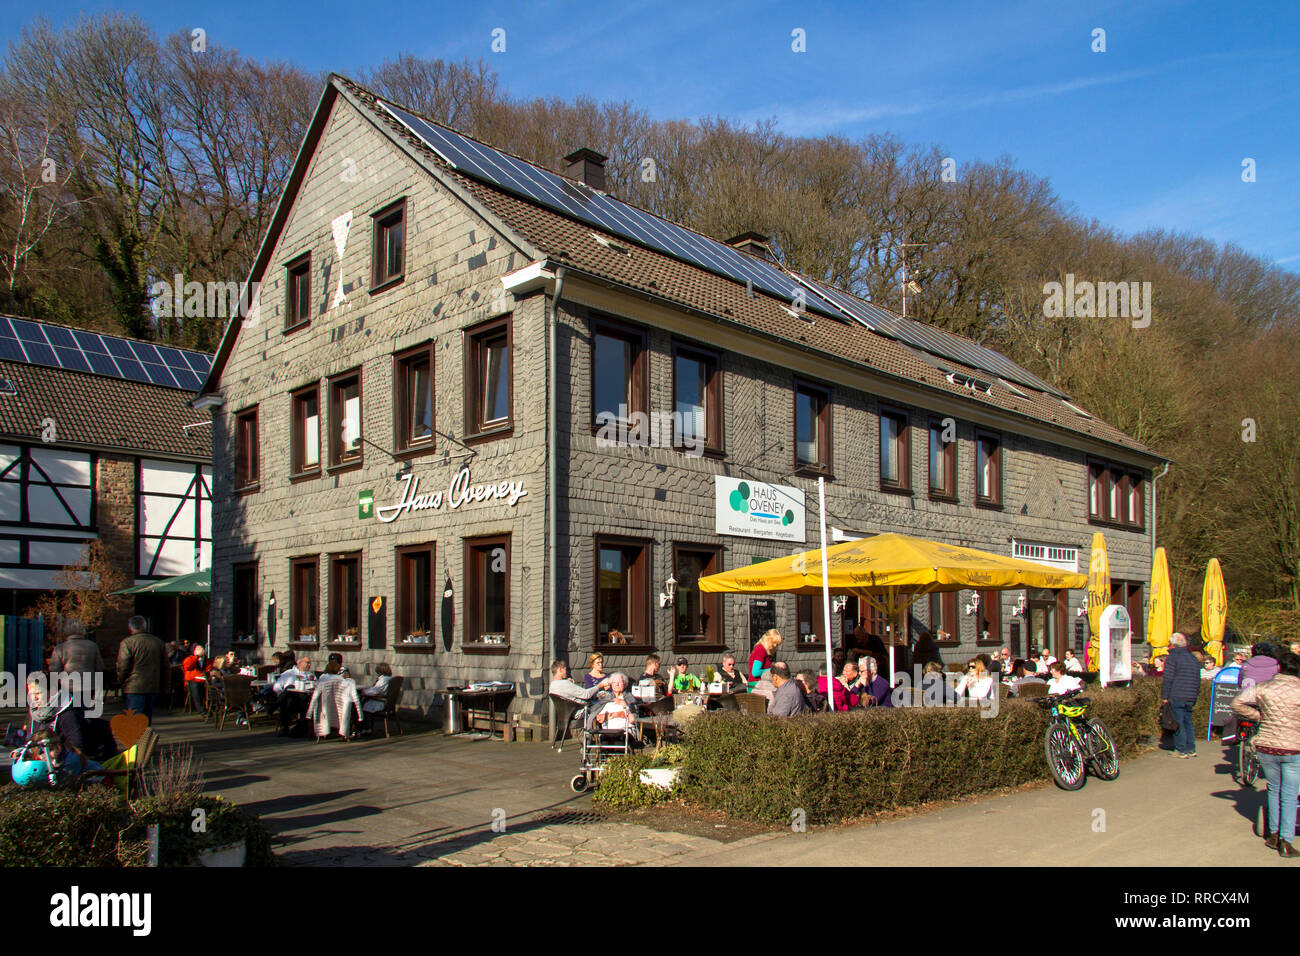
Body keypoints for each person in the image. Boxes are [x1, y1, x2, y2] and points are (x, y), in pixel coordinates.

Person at [1232, 652, 1300, 857]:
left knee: (1273, 789)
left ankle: (1273, 834)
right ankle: (1286, 841)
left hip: (1267, 746)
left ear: (1278, 668)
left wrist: (1259, 716)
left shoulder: (1264, 688)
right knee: (1289, 795)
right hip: (1293, 747)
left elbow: (1237, 703)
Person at [116, 615, 165, 723]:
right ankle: (145, 739)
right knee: (147, 718)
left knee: (135, 718)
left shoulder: (127, 643)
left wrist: (120, 681)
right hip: (153, 685)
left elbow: (124, 665)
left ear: (130, 627)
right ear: (144, 626)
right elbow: (165, 667)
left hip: (134, 685)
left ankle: (139, 739)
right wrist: (165, 687)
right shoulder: (158, 642)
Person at [1162, 632, 1202, 758]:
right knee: (1188, 722)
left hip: (1177, 694)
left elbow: (1168, 678)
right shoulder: (1193, 658)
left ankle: (1181, 749)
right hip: (1190, 695)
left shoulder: (1172, 658)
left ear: (1173, 645)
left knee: (1178, 723)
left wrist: (1165, 696)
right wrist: (1195, 694)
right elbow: (1197, 679)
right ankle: (1191, 748)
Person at [47, 619, 104, 706]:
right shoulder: (93, 646)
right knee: (85, 712)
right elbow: (99, 667)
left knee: (71, 711)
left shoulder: (61, 648)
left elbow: (54, 670)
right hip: (89, 685)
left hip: (68, 686)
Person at [592, 673, 641, 743]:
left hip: (624, 732)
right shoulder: (607, 699)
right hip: (608, 732)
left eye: (620, 682)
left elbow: (633, 719)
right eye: (614, 682)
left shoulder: (630, 699)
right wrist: (618, 714)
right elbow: (599, 718)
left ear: (625, 684)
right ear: (611, 685)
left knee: (619, 743)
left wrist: (624, 705)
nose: (617, 684)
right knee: (604, 743)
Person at [359, 663, 393, 734]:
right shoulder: (389, 679)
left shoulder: (383, 680)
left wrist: (363, 692)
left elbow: (375, 691)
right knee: (364, 701)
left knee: (361, 704)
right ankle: (367, 727)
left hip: (381, 701)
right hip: (386, 701)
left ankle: (365, 728)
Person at [181, 644, 208, 713]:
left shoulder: (207, 660)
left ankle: (209, 707)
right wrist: (196, 657)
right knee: (195, 687)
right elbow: (187, 666)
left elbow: (209, 669)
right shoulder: (190, 659)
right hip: (192, 680)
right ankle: (201, 709)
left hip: (204, 681)